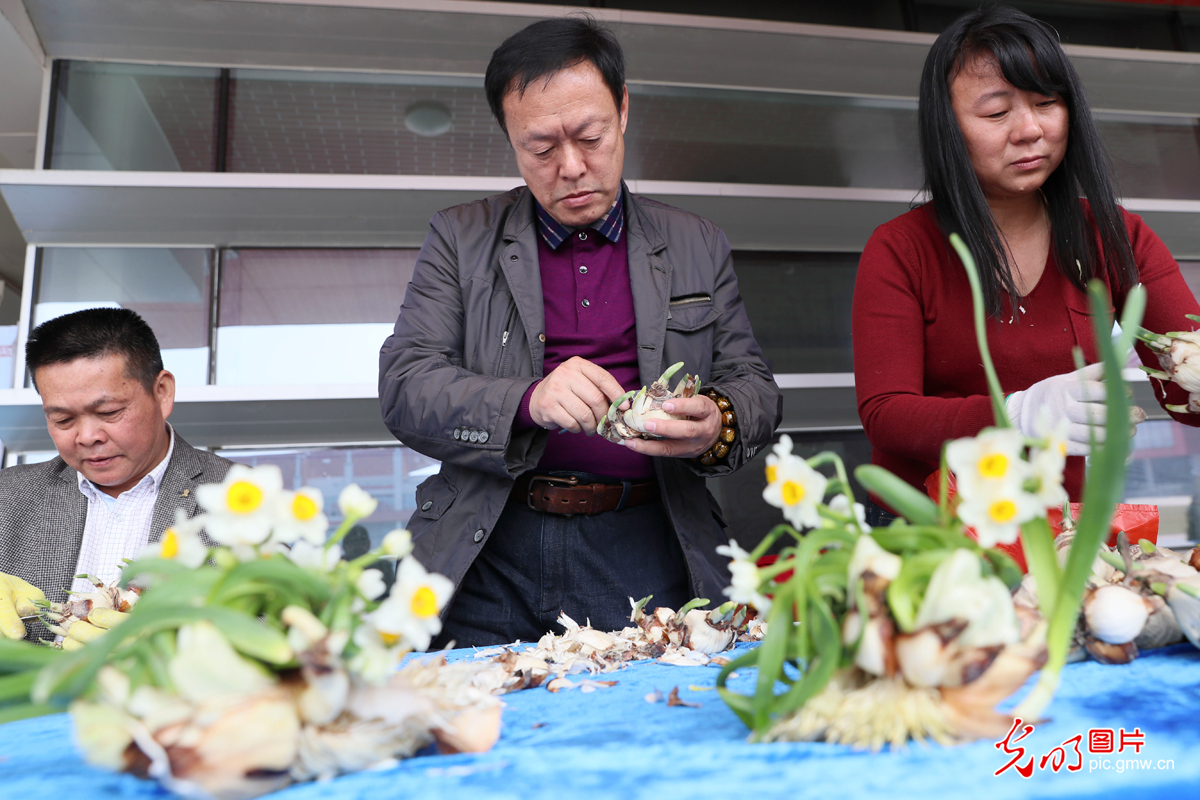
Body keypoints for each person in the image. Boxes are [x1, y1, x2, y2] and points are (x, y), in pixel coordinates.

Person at [379, 16, 781, 647]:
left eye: (590, 137)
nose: (570, 167)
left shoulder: (695, 243)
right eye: (540, 149)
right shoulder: (460, 236)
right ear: (510, 140)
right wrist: (528, 400)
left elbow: (753, 386)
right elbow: (405, 386)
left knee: (655, 722)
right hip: (492, 544)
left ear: (622, 111)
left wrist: (717, 420)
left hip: (649, 538)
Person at [853, 7, 1200, 525]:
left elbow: (1184, 387)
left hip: (1065, 527)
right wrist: (1018, 415)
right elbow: (886, 413)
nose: (1030, 130)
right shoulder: (902, 249)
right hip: (931, 530)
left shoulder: (1114, 235)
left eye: (1046, 103)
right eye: (996, 114)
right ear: (947, 126)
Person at [0, 308, 231, 640]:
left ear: (162, 392)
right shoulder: (7, 497)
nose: (87, 436)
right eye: (63, 420)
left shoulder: (241, 496)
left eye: (108, 412)